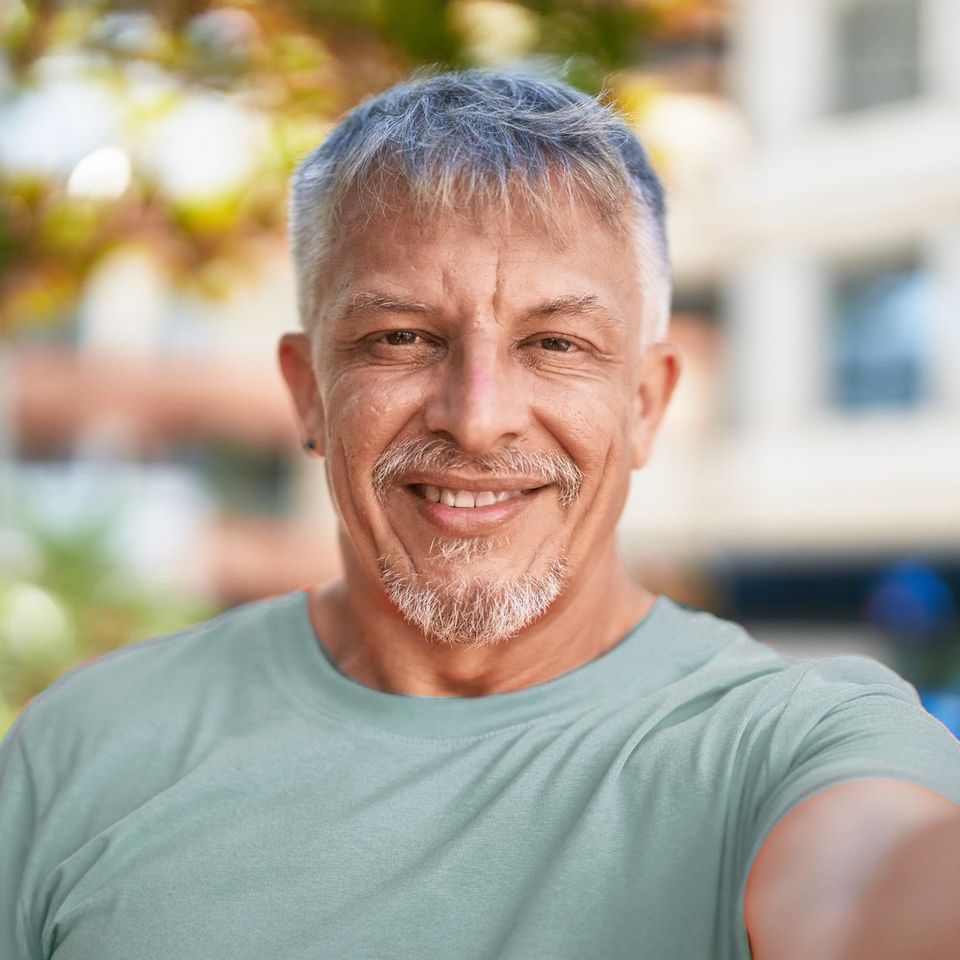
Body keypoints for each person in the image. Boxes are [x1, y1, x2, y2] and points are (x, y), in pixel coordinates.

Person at [2, 69, 959, 960]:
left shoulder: (800, 743)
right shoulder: (84, 744)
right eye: (402, 337)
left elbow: (873, 891)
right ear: (306, 395)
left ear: (646, 406)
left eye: (556, 342)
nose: (477, 414)